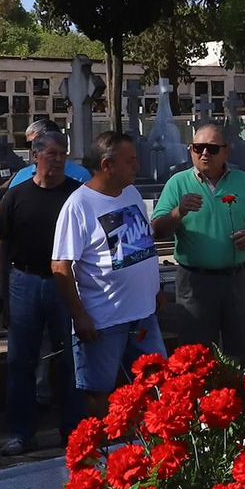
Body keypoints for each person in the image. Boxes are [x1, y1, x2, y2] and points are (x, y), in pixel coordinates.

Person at [51, 132, 163, 412]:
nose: (137, 166)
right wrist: (79, 314)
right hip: (104, 319)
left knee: (157, 383)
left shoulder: (132, 193)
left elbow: (143, 245)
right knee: (99, 391)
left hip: (143, 314)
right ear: (106, 165)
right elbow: (60, 265)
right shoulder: (79, 205)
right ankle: (102, 448)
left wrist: (156, 288)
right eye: (130, 161)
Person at [0, 131, 83, 455]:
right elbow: (0, 247)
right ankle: (21, 432)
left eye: (63, 155)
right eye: (53, 154)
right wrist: (2, 293)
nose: (58, 161)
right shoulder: (16, 197)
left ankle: (73, 429)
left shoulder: (76, 195)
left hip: (64, 282)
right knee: (21, 360)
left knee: (71, 359)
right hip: (24, 281)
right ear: (36, 157)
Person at [152, 122, 245, 366]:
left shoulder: (242, 181)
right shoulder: (177, 183)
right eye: (199, 147)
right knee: (196, 356)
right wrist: (179, 211)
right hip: (196, 283)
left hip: (239, 279)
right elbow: (158, 229)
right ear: (190, 150)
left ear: (226, 151)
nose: (204, 153)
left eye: (212, 149)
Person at [6, 119, 89, 188]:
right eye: (29, 144)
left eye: (37, 142)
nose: (32, 148)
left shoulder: (80, 176)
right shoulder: (22, 175)